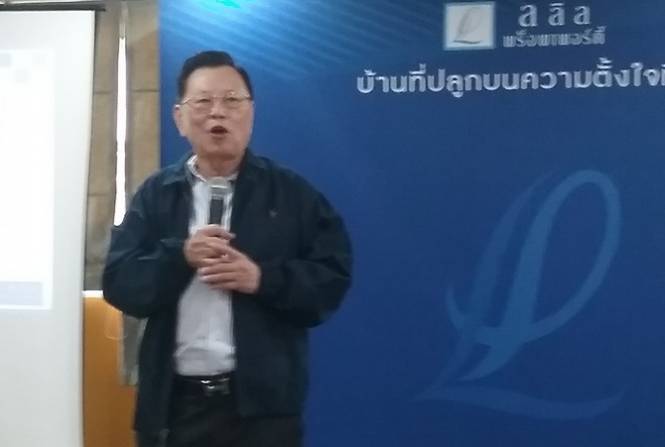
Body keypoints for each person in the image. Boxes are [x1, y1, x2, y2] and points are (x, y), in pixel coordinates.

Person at [103, 50, 353, 447]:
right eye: (202, 101)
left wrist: (262, 279)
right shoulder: (156, 194)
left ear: (251, 113)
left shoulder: (291, 194)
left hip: (262, 413)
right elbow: (120, 283)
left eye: (232, 101)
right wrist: (180, 257)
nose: (217, 113)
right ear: (179, 118)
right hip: (174, 408)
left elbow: (330, 281)